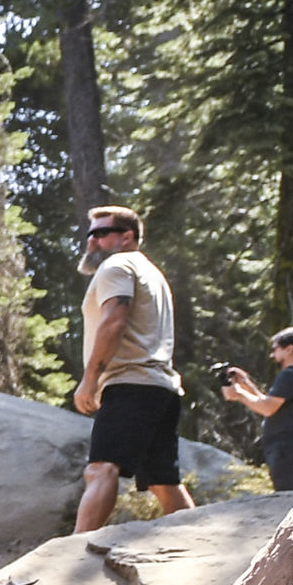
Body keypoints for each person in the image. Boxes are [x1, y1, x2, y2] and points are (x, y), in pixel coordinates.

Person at [70, 205, 193, 534]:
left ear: (127, 237)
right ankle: (198, 539)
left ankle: (73, 554)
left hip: (131, 384)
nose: (92, 241)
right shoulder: (153, 272)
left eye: (101, 233)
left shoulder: (117, 265)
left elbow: (114, 320)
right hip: (161, 387)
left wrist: (90, 378)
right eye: (89, 234)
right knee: (162, 481)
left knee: (101, 469)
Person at [222, 327, 293, 491]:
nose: (272, 355)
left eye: (276, 349)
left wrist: (238, 394)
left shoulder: (291, 374)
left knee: (291, 501)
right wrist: (246, 384)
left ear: (289, 349)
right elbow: (268, 401)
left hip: (289, 448)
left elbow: (267, 408)